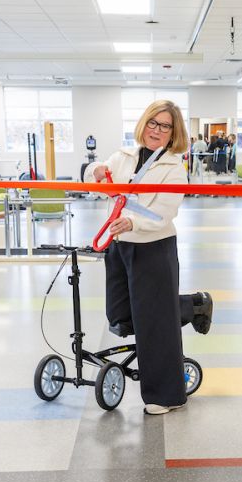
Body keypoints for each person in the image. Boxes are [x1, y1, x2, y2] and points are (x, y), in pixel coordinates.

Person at [85, 99, 213, 415]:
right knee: (120, 316)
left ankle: (165, 395)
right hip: (119, 244)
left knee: (154, 324)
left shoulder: (174, 168)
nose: (156, 130)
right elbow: (94, 179)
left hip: (153, 246)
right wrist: (95, 170)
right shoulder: (123, 156)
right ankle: (192, 305)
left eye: (165, 126)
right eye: (153, 123)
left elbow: (164, 212)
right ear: (144, 123)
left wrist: (133, 222)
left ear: (173, 132)